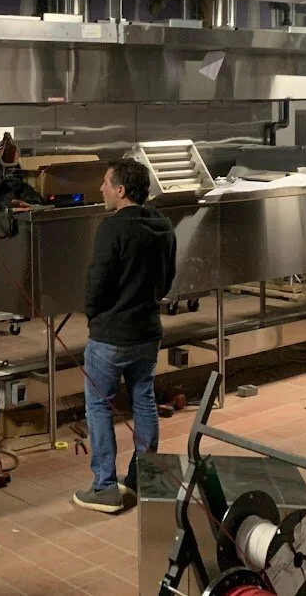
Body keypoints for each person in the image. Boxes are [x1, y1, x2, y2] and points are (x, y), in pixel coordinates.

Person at [73, 158, 177, 515]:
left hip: (111, 337)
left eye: (106, 183)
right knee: (143, 400)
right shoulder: (163, 225)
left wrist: (94, 315)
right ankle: (140, 478)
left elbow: (97, 282)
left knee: (99, 406)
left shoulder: (112, 229)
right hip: (147, 333)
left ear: (120, 190)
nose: (101, 188)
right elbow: (166, 280)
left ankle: (105, 487)